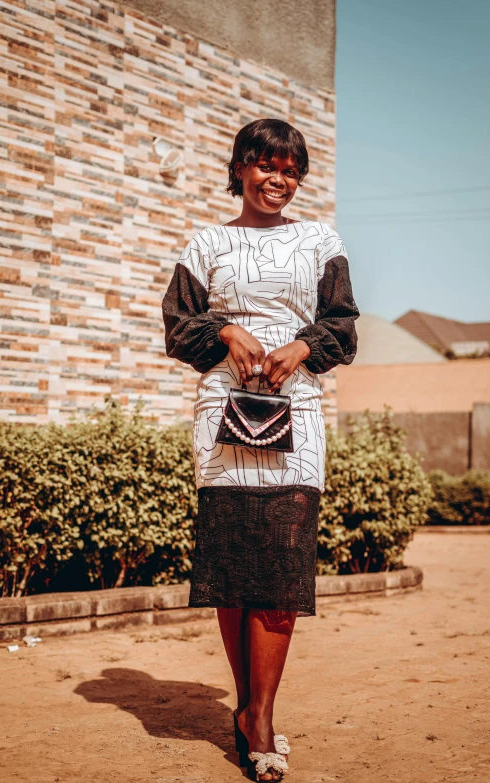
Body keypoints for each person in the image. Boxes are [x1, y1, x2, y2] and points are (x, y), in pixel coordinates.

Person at [162, 118, 359, 781]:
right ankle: (247, 709)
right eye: (267, 165)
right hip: (224, 411)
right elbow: (178, 324)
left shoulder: (319, 240)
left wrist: (302, 345)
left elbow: (342, 325)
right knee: (234, 559)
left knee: (281, 555)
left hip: (295, 409)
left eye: (291, 168)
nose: (279, 178)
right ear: (241, 168)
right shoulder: (208, 241)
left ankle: (260, 715)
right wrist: (226, 331)